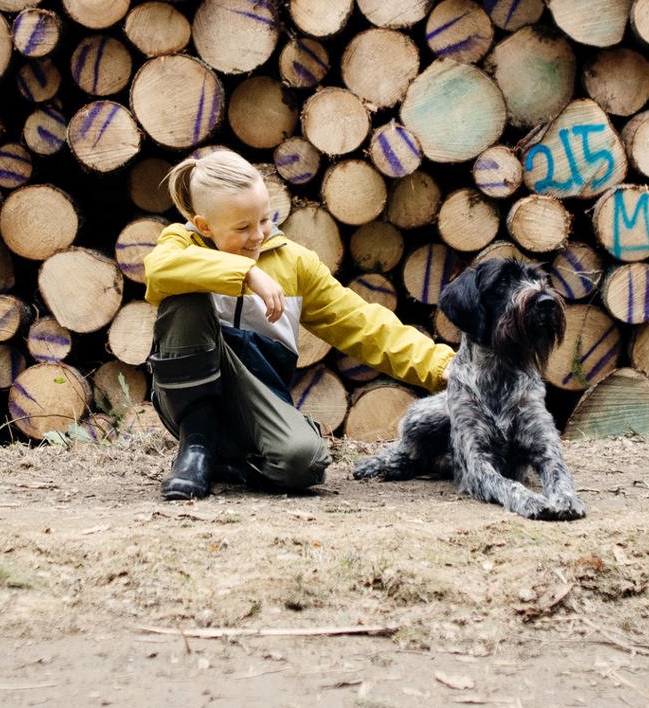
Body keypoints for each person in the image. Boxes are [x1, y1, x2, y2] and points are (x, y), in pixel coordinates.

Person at [143, 148, 454, 501]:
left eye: (264, 219)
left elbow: (360, 322)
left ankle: (230, 463)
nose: (258, 235)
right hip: (188, 400)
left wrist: (441, 365)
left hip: (259, 401)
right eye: (242, 227)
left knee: (304, 462)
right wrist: (246, 273)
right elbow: (157, 270)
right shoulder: (180, 243)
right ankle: (196, 450)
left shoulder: (296, 262)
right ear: (204, 226)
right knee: (184, 294)